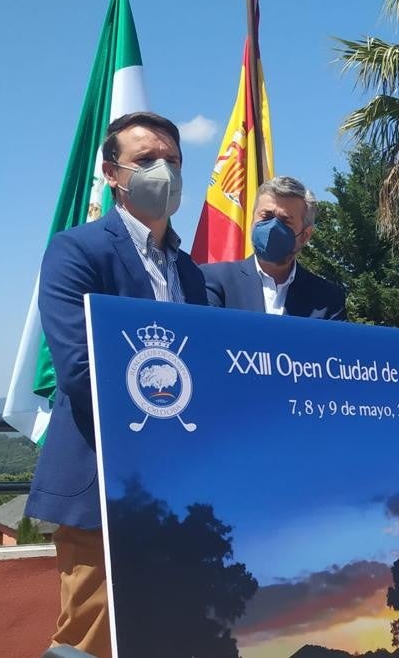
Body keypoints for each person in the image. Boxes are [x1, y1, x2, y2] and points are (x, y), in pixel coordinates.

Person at [25, 112, 209, 656]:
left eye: (173, 161)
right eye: (147, 160)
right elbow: (78, 369)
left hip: (179, 488)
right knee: (91, 637)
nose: (164, 172)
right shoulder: (77, 251)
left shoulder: (190, 271)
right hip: (100, 482)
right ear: (112, 173)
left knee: (169, 631)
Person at [202, 176, 346, 319]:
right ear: (252, 221)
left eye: (285, 220)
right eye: (266, 216)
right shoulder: (213, 279)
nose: (272, 227)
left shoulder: (328, 299)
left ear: (305, 235)